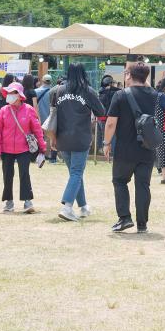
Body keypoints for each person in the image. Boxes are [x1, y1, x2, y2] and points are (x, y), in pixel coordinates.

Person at [103, 63, 159, 233]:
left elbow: (111, 122)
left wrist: (106, 143)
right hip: (147, 147)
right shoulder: (155, 95)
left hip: (125, 148)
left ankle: (124, 218)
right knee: (143, 185)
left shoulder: (120, 95)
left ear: (129, 76)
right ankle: (142, 224)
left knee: (120, 181)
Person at [52, 63, 105, 221]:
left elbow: (53, 114)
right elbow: (101, 112)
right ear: (84, 73)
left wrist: (53, 138)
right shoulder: (88, 91)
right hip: (81, 137)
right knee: (76, 173)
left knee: (75, 173)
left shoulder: (59, 90)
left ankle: (83, 207)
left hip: (62, 137)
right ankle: (67, 207)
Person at [0, 81, 45, 214]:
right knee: (7, 175)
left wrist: (42, 147)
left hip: (24, 149)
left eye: (13, 92)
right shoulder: (4, 110)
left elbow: (37, 129)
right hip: (6, 149)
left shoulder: (29, 110)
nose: (10, 95)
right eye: (8, 92)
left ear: (19, 95)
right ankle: (8, 202)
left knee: (24, 174)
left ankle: (27, 201)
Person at [97, 74, 119, 153]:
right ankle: (111, 151)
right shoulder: (112, 93)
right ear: (109, 84)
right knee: (111, 135)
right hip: (108, 117)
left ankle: (102, 149)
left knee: (102, 135)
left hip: (100, 118)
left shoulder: (100, 92)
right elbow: (119, 90)